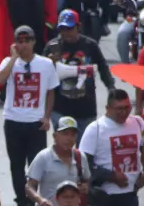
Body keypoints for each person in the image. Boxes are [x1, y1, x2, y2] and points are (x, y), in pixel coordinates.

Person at [0, 25, 60, 206]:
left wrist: (47, 116)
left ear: (33, 42)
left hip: (35, 122)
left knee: (35, 164)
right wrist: (14, 58)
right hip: (14, 120)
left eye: (27, 41)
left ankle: (35, 202)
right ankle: (21, 202)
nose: (23, 45)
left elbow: (51, 91)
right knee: (16, 164)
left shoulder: (46, 64)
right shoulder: (9, 62)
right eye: (19, 41)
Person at [44, 9, 114, 138]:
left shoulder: (90, 45)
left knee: (84, 150)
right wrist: (49, 63)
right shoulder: (52, 47)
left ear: (78, 27)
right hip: (60, 107)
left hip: (85, 108)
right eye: (62, 29)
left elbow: (103, 67)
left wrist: (111, 87)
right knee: (64, 146)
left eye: (69, 29)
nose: (66, 33)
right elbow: (42, 75)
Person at [26, 117, 89, 206]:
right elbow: (29, 186)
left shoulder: (80, 157)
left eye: (73, 134)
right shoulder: (43, 157)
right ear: (55, 136)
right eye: (65, 134)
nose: (69, 138)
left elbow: (86, 179)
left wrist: (85, 187)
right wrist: (40, 200)